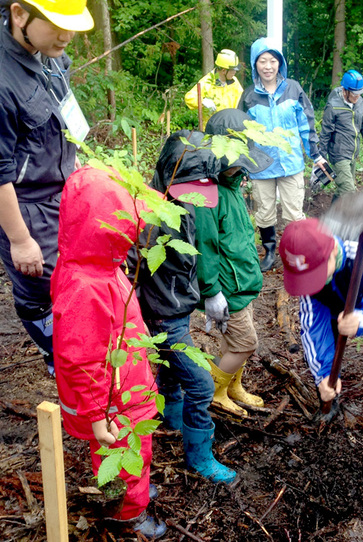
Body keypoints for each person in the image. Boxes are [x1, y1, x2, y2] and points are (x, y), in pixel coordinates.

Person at [0, 0, 93, 375]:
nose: (67, 36)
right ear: (19, 14)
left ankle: (75, 339)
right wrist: (20, 239)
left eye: (71, 25)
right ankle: (57, 353)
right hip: (21, 201)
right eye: (56, 24)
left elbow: (57, 104)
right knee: (38, 282)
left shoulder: (43, 48)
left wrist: (69, 155)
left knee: (70, 271)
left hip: (55, 183)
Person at [52, 167, 166, 539]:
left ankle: (132, 495)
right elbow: (80, 359)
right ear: (103, 227)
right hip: (114, 402)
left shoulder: (103, 267)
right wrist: (98, 415)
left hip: (125, 387)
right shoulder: (84, 285)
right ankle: (128, 514)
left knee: (135, 452)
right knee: (123, 457)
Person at [134, 129, 237, 484]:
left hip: (175, 308)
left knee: (170, 368)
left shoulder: (183, 206)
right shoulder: (149, 216)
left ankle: (171, 418)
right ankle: (199, 457)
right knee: (201, 385)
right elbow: (130, 271)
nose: (196, 196)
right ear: (168, 174)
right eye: (190, 187)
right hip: (162, 315)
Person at [278, 218, 363, 408]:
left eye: (314, 276)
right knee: (328, 342)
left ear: (333, 252)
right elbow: (313, 328)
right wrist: (323, 375)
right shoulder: (309, 282)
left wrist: (361, 320)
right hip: (334, 302)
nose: (309, 285)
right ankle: (330, 395)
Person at [198, 108, 273, 417]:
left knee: (237, 342)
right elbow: (205, 248)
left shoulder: (232, 185)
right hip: (227, 288)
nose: (240, 167)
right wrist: (211, 291)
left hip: (243, 282)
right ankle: (213, 392)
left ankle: (231, 385)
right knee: (245, 343)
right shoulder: (206, 192)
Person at [239, 36, 326, 272]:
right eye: (263, 61)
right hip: (261, 166)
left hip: (291, 164)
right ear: (255, 64)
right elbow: (242, 133)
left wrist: (315, 155)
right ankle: (269, 251)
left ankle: (295, 252)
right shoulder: (248, 96)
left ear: (280, 63)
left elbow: (306, 123)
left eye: (273, 61)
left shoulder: (293, 88)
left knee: (293, 214)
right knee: (264, 212)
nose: (268, 66)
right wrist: (243, 166)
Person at [318, 69, 363, 198]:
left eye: (359, 93)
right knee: (349, 190)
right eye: (354, 94)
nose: (357, 96)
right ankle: (352, 218)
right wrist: (321, 157)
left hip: (352, 153)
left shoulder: (360, 102)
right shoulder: (333, 106)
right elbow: (325, 133)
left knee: (342, 190)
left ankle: (331, 217)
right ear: (345, 90)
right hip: (338, 155)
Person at [185, 49, 243, 129]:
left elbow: (241, 100)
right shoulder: (207, 82)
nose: (235, 72)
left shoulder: (234, 82)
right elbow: (189, 98)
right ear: (223, 71)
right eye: (233, 70)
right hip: (211, 129)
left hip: (230, 128)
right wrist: (203, 101)